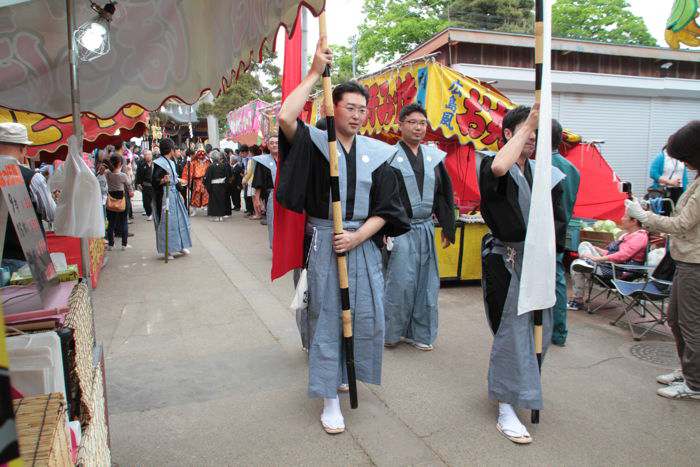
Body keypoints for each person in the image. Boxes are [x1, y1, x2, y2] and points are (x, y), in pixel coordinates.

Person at [276, 38, 409, 435]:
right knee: (327, 317)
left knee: (367, 315)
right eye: (349, 107)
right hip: (324, 242)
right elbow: (285, 117)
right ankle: (328, 397)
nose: (356, 115)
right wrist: (315, 72)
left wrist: (357, 238)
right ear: (332, 109)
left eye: (362, 109)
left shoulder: (378, 153)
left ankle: (348, 371)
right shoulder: (316, 143)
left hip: (362, 243)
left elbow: (389, 209)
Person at [477, 105, 568, 444]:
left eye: (536, 134)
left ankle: (526, 388)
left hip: (538, 263)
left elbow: (558, 222)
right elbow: (502, 166)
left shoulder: (549, 174)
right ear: (509, 134)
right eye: (526, 133)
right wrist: (528, 121)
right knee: (510, 332)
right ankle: (505, 404)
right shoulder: (491, 164)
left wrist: (547, 254)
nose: (531, 139)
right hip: (507, 259)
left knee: (537, 332)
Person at [626, 120, 700, 401]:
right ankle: (688, 370)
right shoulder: (696, 178)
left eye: (685, 158)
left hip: (695, 262)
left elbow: (682, 224)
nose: (683, 164)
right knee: (676, 318)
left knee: (691, 323)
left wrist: (645, 217)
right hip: (685, 258)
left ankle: (694, 384)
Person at [383, 103, 456, 351]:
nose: (418, 127)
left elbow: (445, 194)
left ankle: (421, 333)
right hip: (399, 229)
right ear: (400, 125)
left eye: (422, 123)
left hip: (425, 227)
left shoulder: (434, 158)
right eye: (412, 122)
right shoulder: (389, 157)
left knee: (427, 283)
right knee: (399, 282)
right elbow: (382, 197)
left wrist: (447, 227)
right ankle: (392, 332)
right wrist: (383, 231)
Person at [0, 122, 55, 272]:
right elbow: (51, 214)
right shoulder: (32, 178)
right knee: (25, 296)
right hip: (27, 260)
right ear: (22, 148)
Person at [567, 215, 649, 311]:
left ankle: (577, 302)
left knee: (576, 265)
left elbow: (622, 256)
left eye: (625, 217)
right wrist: (599, 250)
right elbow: (613, 253)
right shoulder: (627, 235)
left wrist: (597, 259)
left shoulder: (639, 237)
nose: (621, 219)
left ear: (634, 221)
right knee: (585, 244)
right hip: (610, 265)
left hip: (619, 271)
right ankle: (586, 263)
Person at [549, 120, 580, 346]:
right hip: (562, 229)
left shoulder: (541, 166)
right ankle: (558, 331)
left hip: (543, 231)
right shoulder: (573, 169)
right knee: (557, 279)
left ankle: (548, 330)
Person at [151, 138, 192, 259]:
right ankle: (167, 250)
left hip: (174, 195)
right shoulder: (159, 163)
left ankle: (180, 245)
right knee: (167, 222)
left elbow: (175, 179)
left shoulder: (172, 162)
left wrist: (180, 190)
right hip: (165, 196)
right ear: (170, 150)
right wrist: (162, 180)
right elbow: (154, 181)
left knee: (180, 220)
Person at [252, 136, 279, 246]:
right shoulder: (262, 161)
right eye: (271, 143)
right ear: (268, 146)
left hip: (287, 195)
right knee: (272, 221)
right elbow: (258, 181)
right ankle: (274, 245)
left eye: (277, 142)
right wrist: (257, 199)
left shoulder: (287, 158)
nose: (274, 145)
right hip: (271, 195)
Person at [104, 154, 133, 251]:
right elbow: (129, 185)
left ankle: (111, 245)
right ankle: (124, 245)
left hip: (111, 201)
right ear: (120, 163)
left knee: (111, 224)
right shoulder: (123, 176)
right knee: (124, 222)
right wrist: (129, 173)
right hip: (121, 201)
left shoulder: (107, 173)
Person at [204, 149, 232, 222]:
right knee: (222, 200)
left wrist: (208, 187)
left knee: (215, 201)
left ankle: (217, 216)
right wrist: (225, 185)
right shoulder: (223, 166)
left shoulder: (210, 167)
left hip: (214, 186)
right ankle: (221, 216)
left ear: (212, 158)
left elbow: (207, 178)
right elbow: (227, 176)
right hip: (222, 185)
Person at [182, 146, 210, 216]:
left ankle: (208, 210)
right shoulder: (193, 162)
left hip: (204, 181)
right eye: (199, 155)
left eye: (202, 155)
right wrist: (187, 181)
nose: (201, 156)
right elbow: (189, 171)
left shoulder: (207, 162)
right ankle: (194, 211)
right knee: (195, 196)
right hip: (196, 181)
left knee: (206, 196)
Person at [135, 149, 155, 221]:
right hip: (145, 185)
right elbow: (138, 174)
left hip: (154, 185)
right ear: (144, 156)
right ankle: (149, 213)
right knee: (146, 201)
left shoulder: (155, 164)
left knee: (154, 200)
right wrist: (138, 183)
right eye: (146, 155)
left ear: (152, 156)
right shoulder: (141, 164)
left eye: (149, 155)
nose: (148, 156)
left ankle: (154, 213)